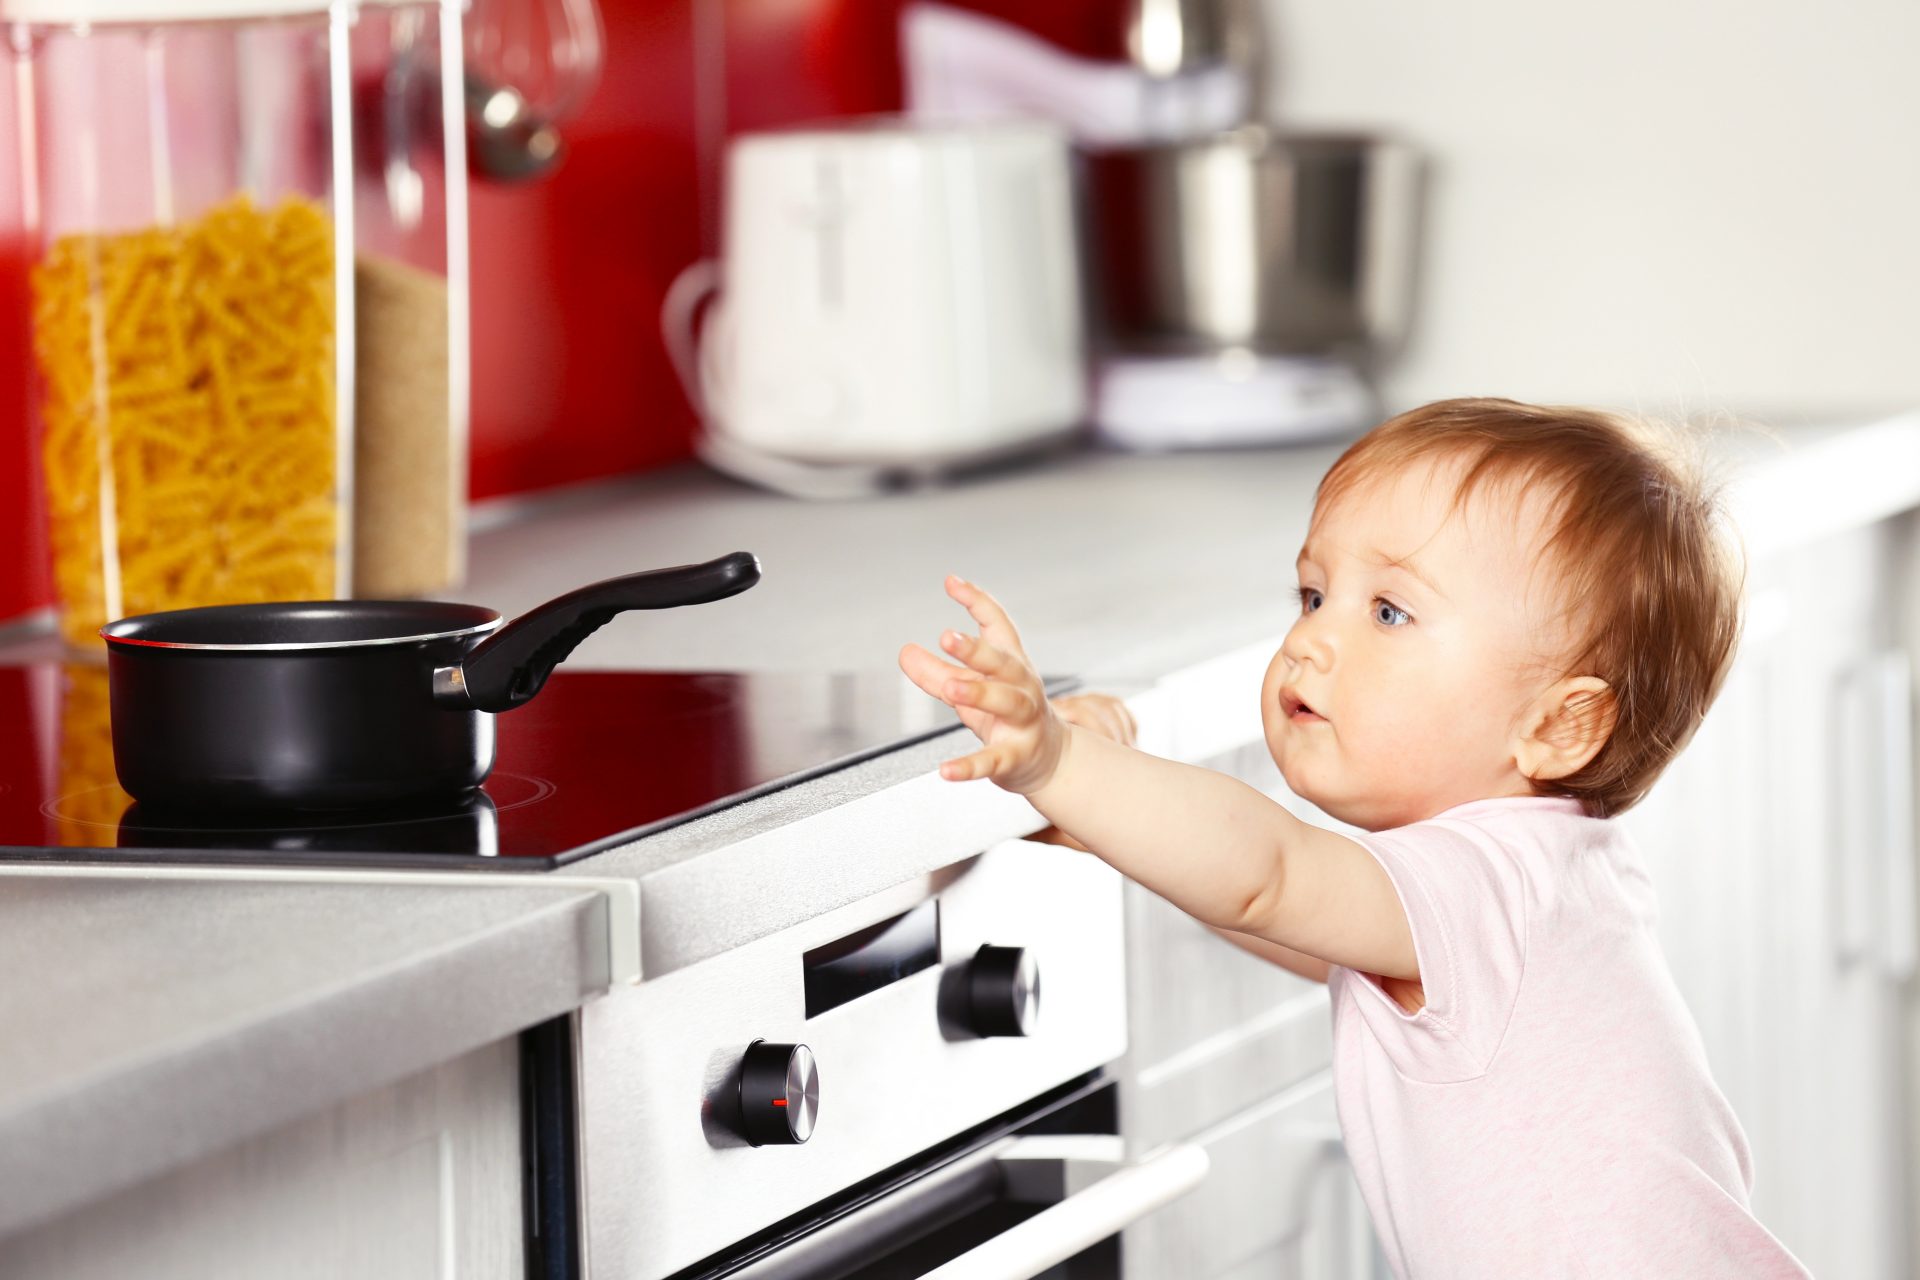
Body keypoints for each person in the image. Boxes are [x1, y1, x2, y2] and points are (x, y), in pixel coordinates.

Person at [899, 398, 1810, 1278]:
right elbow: (1301, 921)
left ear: (1558, 727)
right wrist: (1109, 820)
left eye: (1388, 613)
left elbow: (1270, 876)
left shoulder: (1484, 881)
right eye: (1312, 594)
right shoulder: (1544, 872)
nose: (1310, 642)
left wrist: (1061, 765)